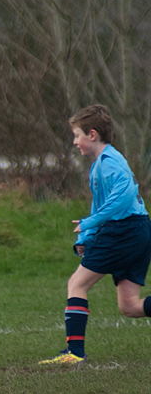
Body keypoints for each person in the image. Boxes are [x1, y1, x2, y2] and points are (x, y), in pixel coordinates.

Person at [39, 104, 151, 365]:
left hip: (124, 231)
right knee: (130, 306)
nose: (74, 141)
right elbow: (100, 207)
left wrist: (93, 222)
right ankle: (74, 352)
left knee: (77, 284)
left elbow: (122, 197)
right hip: (138, 229)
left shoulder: (110, 162)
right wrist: (86, 237)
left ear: (92, 134)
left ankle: (74, 353)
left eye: (77, 135)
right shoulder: (100, 165)